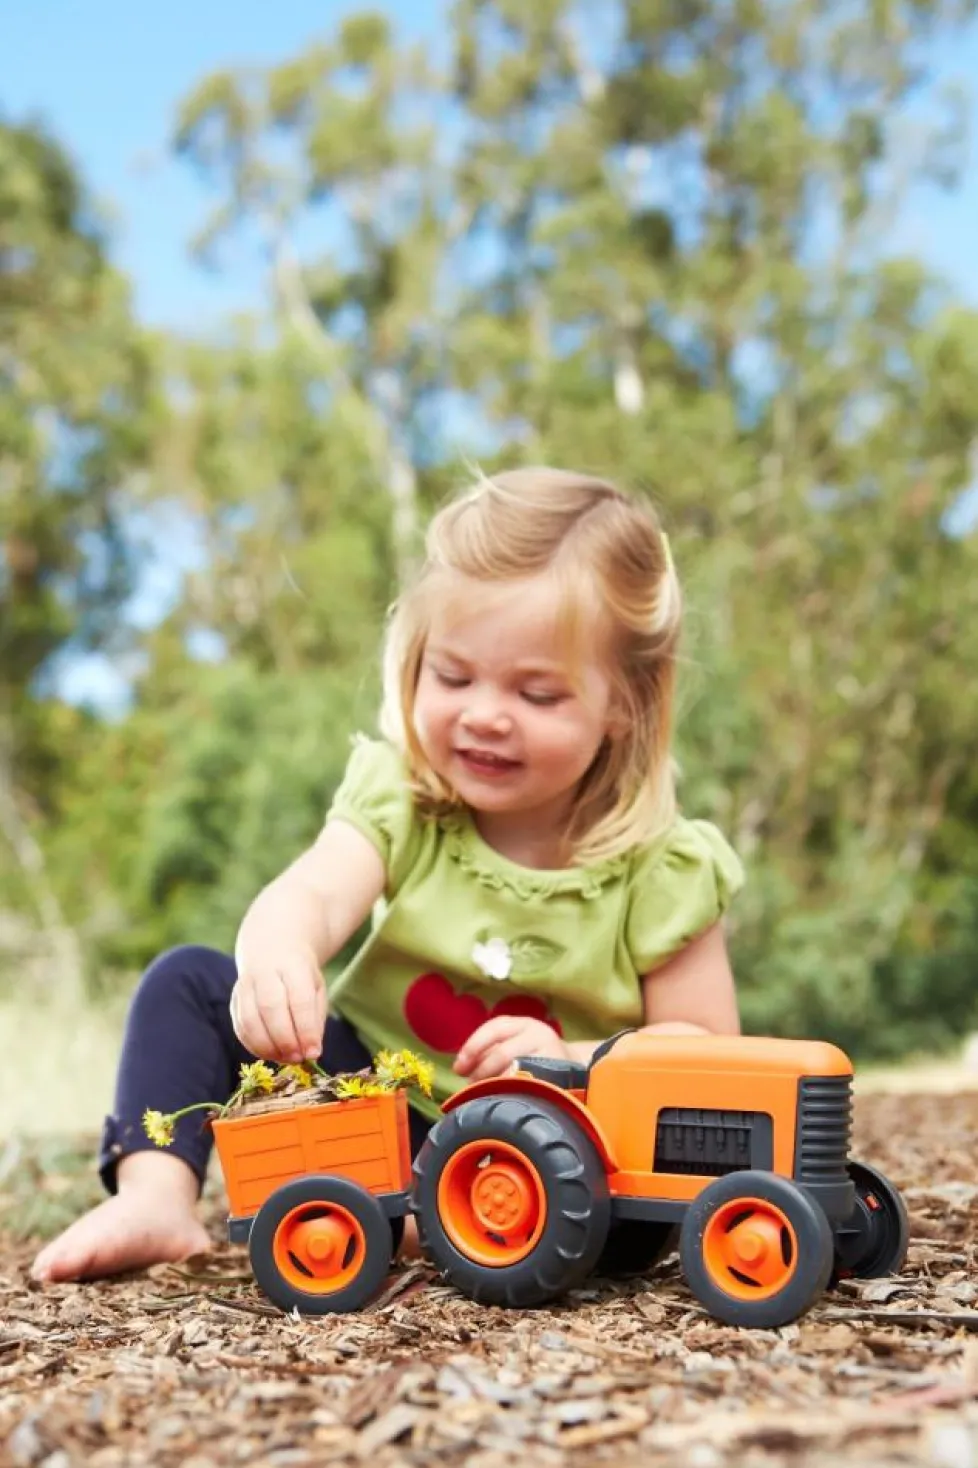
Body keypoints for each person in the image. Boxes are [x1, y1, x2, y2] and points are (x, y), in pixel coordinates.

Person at [32, 467, 744, 1285]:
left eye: (537, 692)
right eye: (453, 676)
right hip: (375, 1108)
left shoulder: (662, 868)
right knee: (188, 982)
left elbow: (708, 1055)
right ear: (414, 662)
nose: (484, 713)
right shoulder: (406, 801)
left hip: (564, 1157)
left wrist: (570, 1059)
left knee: (616, 1190)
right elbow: (313, 893)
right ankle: (156, 1196)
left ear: (626, 700)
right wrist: (279, 951)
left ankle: (434, 1217)